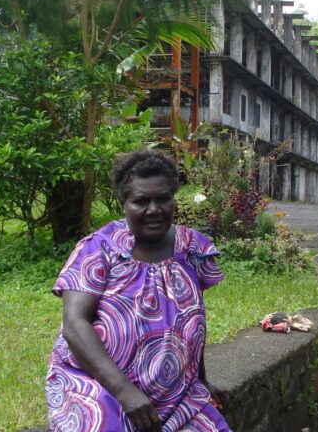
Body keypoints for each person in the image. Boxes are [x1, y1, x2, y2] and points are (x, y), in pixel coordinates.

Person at [46, 149, 230, 431]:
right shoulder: (98, 249)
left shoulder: (192, 248)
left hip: (176, 395)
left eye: (163, 199)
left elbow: (192, 321)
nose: (154, 209)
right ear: (124, 203)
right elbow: (74, 324)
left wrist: (201, 380)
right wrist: (124, 392)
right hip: (100, 387)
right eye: (141, 201)